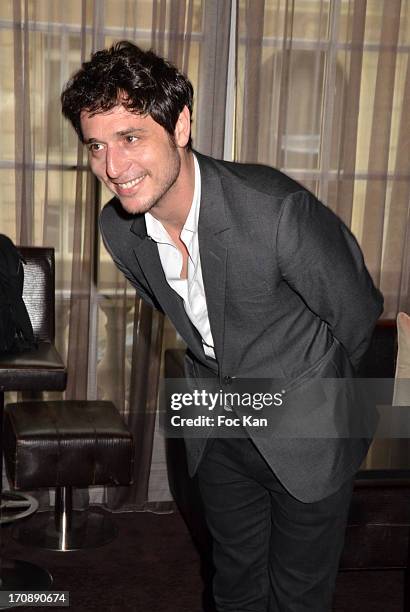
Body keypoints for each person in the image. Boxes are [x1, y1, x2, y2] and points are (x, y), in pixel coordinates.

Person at [61, 41, 383, 612]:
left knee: (299, 597)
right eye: (97, 146)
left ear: (180, 125)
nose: (112, 168)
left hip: (308, 428)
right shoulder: (120, 231)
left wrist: (321, 406)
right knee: (233, 585)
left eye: (130, 138)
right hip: (214, 423)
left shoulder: (274, 209)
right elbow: (181, 316)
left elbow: (356, 314)